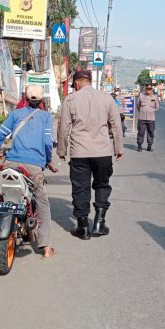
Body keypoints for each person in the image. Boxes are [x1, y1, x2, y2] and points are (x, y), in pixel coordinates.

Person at [0, 85, 57, 258]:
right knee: (43, 203)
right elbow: (48, 142)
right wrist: (48, 161)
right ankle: (46, 247)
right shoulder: (46, 117)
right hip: (33, 168)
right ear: (41, 100)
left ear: (24, 97)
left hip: (11, 164)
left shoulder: (16, 114)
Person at [57, 70, 124, 240]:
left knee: (80, 188)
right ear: (90, 81)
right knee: (102, 185)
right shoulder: (107, 98)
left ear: (77, 83)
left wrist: (62, 150)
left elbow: (63, 127)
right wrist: (118, 148)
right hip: (102, 152)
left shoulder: (70, 100)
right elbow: (116, 124)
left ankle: (83, 227)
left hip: (79, 152)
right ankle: (99, 224)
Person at [136, 84, 160, 152]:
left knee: (151, 133)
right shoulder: (141, 96)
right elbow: (138, 105)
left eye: (150, 89)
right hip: (142, 118)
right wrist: (142, 111)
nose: (148, 90)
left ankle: (149, 146)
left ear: (152, 90)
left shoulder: (155, 97)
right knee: (141, 132)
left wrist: (151, 111)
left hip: (151, 118)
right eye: (147, 89)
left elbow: (157, 107)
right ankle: (139, 146)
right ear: (146, 89)